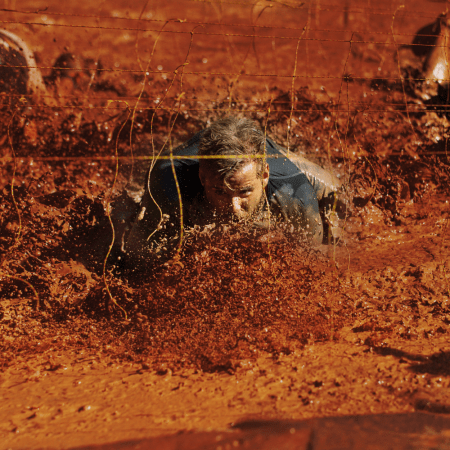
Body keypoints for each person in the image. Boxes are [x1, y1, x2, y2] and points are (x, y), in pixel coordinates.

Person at [119, 116, 342, 272]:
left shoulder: (295, 193)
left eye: (244, 192)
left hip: (275, 165)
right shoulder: (169, 182)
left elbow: (312, 263)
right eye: (219, 192)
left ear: (264, 176)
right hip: (185, 166)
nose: (234, 207)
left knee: (335, 193)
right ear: (202, 178)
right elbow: (137, 253)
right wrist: (183, 248)